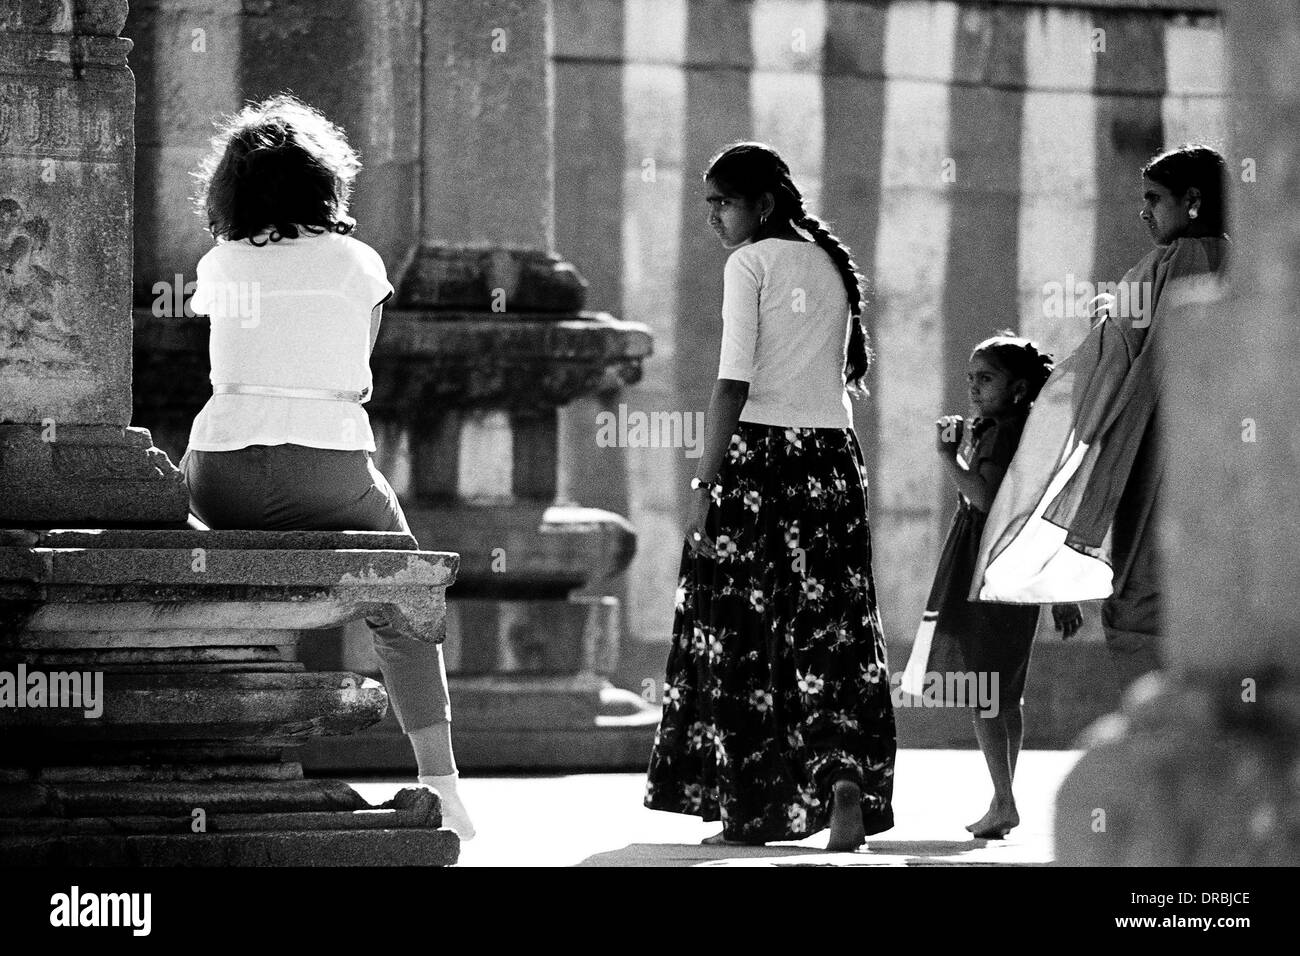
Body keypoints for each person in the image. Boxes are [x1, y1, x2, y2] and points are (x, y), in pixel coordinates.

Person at [179, 93, 474, 840]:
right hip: (330, 468)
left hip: (221, 474)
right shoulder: (359, 263)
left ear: (231, 191)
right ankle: (441, 782)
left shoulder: (218, 263)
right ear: (326, 182)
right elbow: (354, 360)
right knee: (406, 589)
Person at [644, 142, 896, 851]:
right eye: (709, 204)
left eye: (723, 202)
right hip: (832, 463)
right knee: (832, 629)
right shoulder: (828, 264)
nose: (714, 217)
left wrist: (703, 482)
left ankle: (754, 808)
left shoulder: (749, 263)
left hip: (760, 463)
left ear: (762, 203)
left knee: (743, 632)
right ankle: (843, 776)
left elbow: (732, 383)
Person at [970, 144, 1230, 689]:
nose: (1144, 213)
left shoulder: (1180, 261)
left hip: (1161, 457)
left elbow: (1123, 359)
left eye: (1154, 200)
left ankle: (1172, 745)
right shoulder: (1236, 258)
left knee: (1141, 602)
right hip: (1215, 458)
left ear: (1193, 201)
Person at [903, 333, 1082, 839]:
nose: (975, 388)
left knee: (986, 690)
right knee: (1006, 693)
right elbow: (1042, 513)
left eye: (986, 378)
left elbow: (983, 498)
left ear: (1019, 387)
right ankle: (1003, 797)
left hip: (989, 572)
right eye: (970, 378)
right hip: (1015, 573)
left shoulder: (1002, 434)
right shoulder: (1025, 431)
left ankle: (1003, 801)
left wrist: (947, 457)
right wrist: (1058, 589)